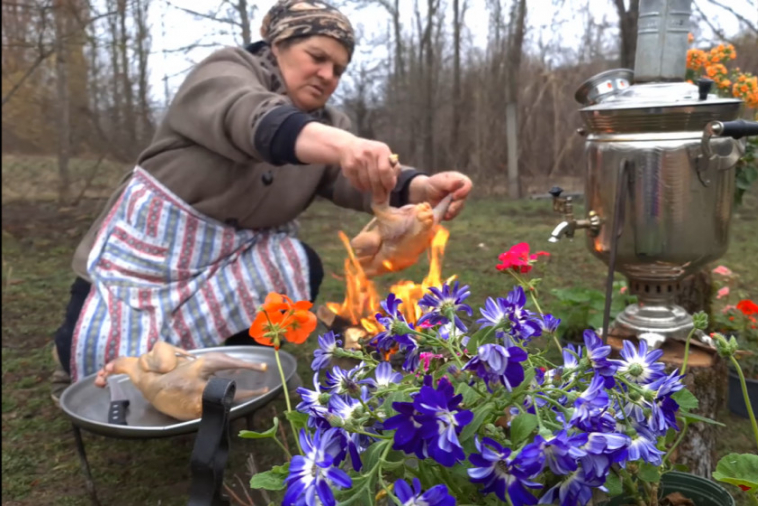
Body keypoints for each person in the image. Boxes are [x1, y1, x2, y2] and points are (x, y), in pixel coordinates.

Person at [50, 0, 473, 403]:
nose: (328, 74)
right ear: (278, 45)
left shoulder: (329, 124)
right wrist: (345, 144)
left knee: (295, 262)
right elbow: (253, 118)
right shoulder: (227, 71)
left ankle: (231, 374)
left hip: (236, 256)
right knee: (104, 373)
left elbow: (354, 178)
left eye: (339, 69)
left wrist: (420, 187)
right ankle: (71, 345)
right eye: (317, 56)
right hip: (154, 254)